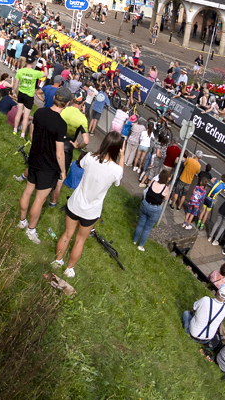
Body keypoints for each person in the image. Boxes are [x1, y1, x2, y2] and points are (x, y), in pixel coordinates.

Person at [51, 132, 125, 278]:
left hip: (75, 204)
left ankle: (57, 261)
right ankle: (69, 269)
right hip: (91, 211)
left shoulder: (90, 157)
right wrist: (122, 157)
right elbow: (119, 176)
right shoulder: (116, 170)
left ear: (104, 143)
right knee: (80, 240)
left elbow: (83, 164)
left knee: (67, 234)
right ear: (118, 149)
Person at [19, 89, 74, 243]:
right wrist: (63, 171)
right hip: (48, 166)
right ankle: (31, 230)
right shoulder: (61, 124)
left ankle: (22, 221)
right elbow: (59, 153)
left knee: (28, 191)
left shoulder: (40, 112)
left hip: (34, 159)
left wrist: (34, 140)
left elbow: (32, 129)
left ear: (54, 98)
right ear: (67, 104)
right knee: (39, 200)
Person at [183, 283, 225, 349]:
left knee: (186, 313)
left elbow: (192, 309)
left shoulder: (205, 299)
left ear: (218, 291)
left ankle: (189, 332)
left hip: (192, 335)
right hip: (206, 340)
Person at [133, 169, 173, 251]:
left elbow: (148, 189)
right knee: (147, 228)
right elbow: (166, 198)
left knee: (140, 224)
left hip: (145, 204)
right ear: (167, 179)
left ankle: (134, 240)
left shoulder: (153, 181)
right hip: (154, 209)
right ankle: (140, 246)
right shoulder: (165, 189)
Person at [13, 60, 44, 137]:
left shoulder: (20, 71)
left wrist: (14, 91)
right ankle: (23, 134)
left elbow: (16, 83)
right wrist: (45, 65)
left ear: (26, 62)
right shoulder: (35, 73)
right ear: (33, 63)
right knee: (26, 116)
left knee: (18, 113)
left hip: (21, 93)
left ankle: (15, 130)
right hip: (29, 96)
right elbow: (46, 74)